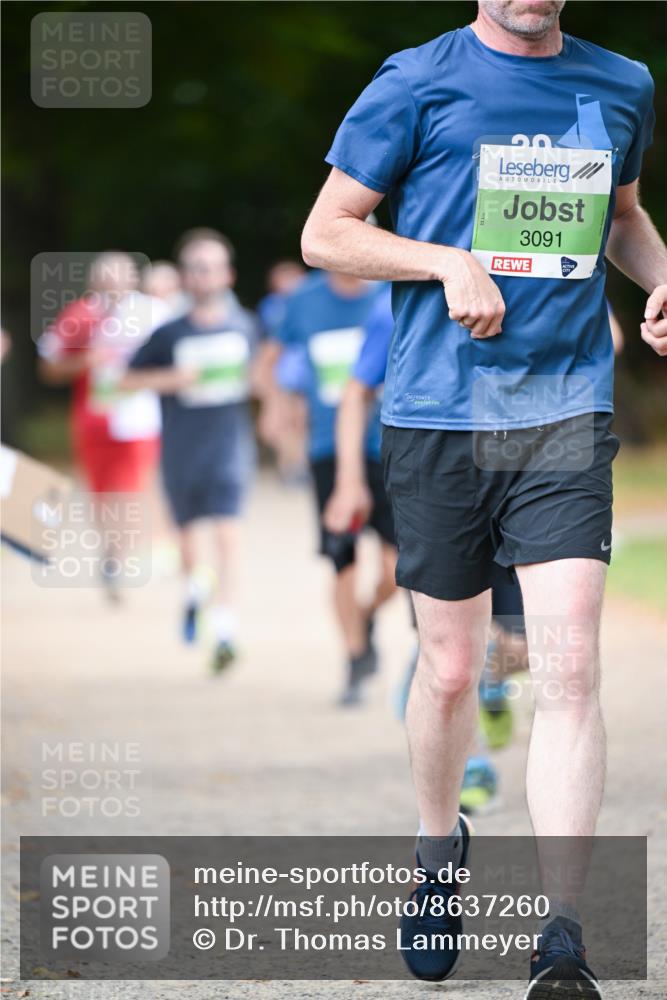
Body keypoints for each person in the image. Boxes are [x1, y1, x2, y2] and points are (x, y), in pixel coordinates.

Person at [301, 1, 665, 995]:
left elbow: (622, 219)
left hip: (559, 406)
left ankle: (562, 936)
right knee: (454, 668)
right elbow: (327, 232)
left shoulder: (621, 81)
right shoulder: (416, 80)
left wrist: (661, 275)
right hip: (436, 412)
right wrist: (442, 259)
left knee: (569, 662)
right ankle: (434, 852)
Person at [324, 283, 528, 814]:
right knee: (450, 646)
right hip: (430, 472)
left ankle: (479, 684)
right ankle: (471, 766)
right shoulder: (400, 300)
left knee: (525, 647)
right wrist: (350, 480)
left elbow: (611, 338)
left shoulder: (545, 264)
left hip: (524, 467)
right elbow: (355, 391)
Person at [120, 230, 259, 672]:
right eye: (196, 268)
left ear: (228, 275)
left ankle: (224, 630)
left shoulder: (245, 327)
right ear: (185, 277)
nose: (204, 276)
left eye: (212, 266)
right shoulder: (168, 334)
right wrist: (169, 380)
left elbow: (263, 377)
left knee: (227, 537)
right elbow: (123, 380)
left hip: (230, 449)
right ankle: (195, 592)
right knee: (188, 544)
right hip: (182, 452)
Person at [268, 269, 397, 705]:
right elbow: (270, 360)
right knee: (343, 559)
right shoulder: (304, 301)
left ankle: (363, 616)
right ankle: (355, 656)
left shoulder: (390, 293)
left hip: (390, 444)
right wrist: (276, 408)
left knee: (397, 571)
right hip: (327, 447)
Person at [38, 252, 164, 601]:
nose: (115, 284)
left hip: (139, 420)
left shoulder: (151, 313)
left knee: (130, 489)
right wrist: (84, 361)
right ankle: (111, 552)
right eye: (107, 278)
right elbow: (48, 366)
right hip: (93, 421)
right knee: (101, 493)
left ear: (133, 279)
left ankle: (121, 558)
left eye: (122, 276)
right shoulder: (80, 315)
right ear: (95, 282)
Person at [255, 260, 309, 483]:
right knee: (281, 418)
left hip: (303, 365)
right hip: (283, 366)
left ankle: (300, 464)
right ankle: (288, 465)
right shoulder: (272, 306)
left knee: (301, 419)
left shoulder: (305, 303)